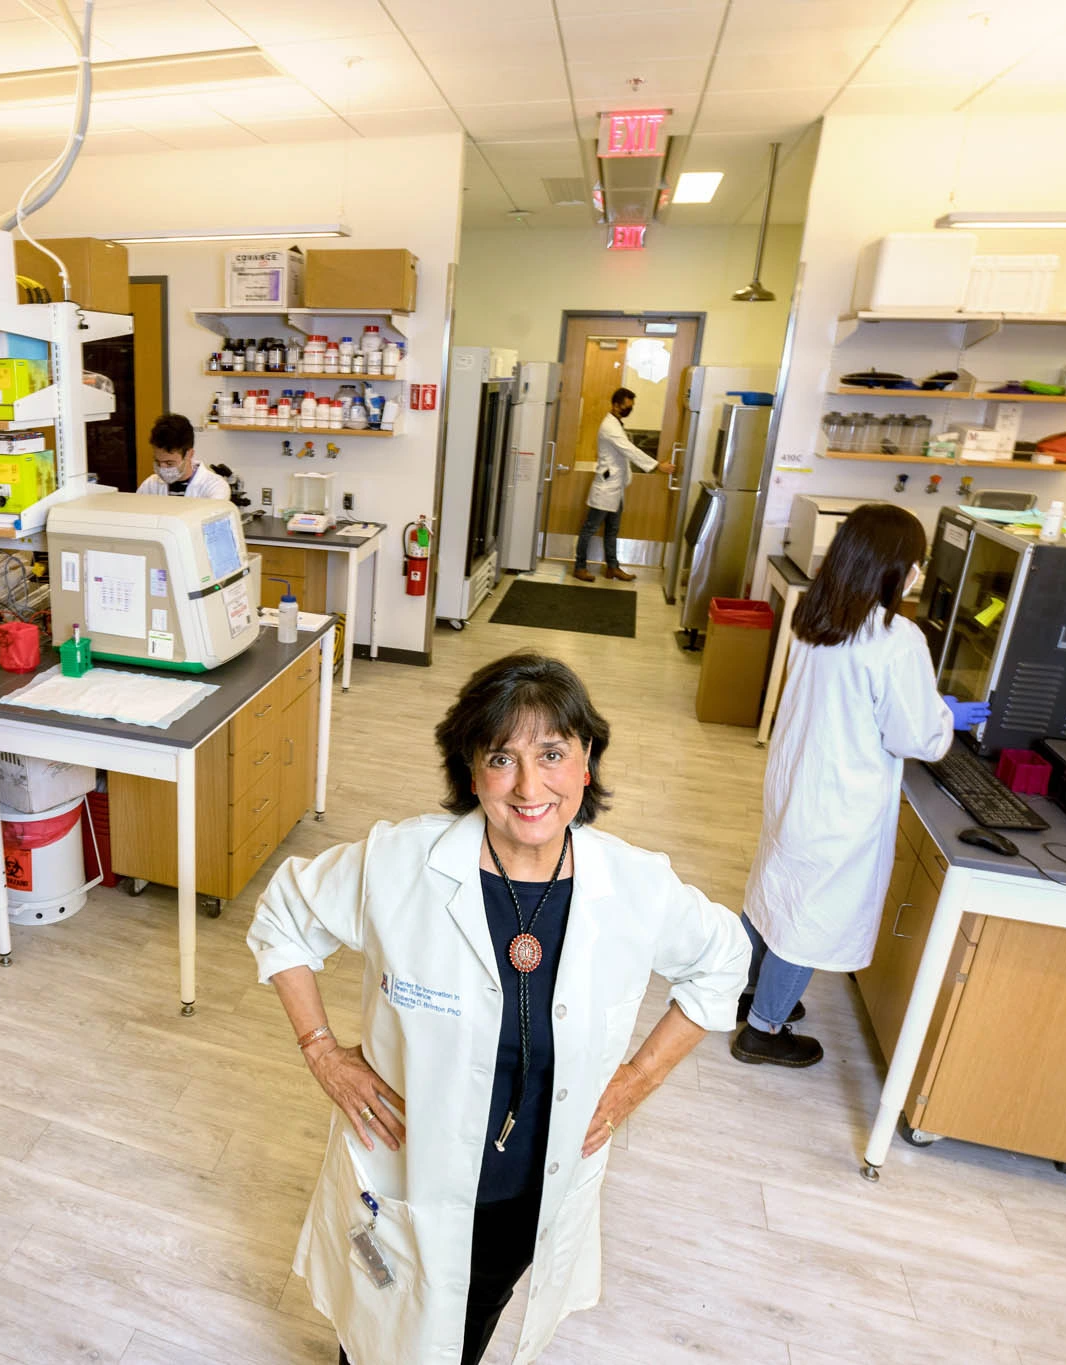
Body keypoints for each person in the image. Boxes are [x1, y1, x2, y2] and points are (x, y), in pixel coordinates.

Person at [248, 653, 748, 1365]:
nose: (529, 785)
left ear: (586, 762)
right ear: (472, 770)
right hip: (403, 1180)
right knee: (377, 1329)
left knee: (465, 1333)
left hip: (525, 1197)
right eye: (501, 758)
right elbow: (283, 916)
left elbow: (723, 957)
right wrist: (321, 1048)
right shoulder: (401, 864)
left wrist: (638, 1078)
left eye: (552, 754)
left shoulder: (635, 887)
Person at [734, 504, 988, 1067]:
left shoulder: (816, 615)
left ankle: (746, 989)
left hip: (797, 784)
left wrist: (925, 703)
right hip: (838, 800)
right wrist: (941, 715)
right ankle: (762, 1028)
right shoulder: (896, 638)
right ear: (896, 570)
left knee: (776, 888)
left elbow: (848, 697)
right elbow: (918, 738)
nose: (918, 573)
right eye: (916, 564)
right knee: (808, 914)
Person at [572, 387, 657, 583]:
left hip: (616, 488)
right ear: (615, 405)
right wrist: (655, 464)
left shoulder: (617, 424)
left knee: (612, 529)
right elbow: (629, 450)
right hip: (606, 488)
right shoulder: (609, 426)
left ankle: (613, 567)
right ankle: (579, 567)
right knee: (589, 528)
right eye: (626, 407)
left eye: (631, 407)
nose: (629, 410)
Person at [137, 412, 231, 499]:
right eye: (157, 462)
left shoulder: (215, 487)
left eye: (169, 463)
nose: (162, 469)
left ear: (189, 454)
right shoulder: (150, 485)